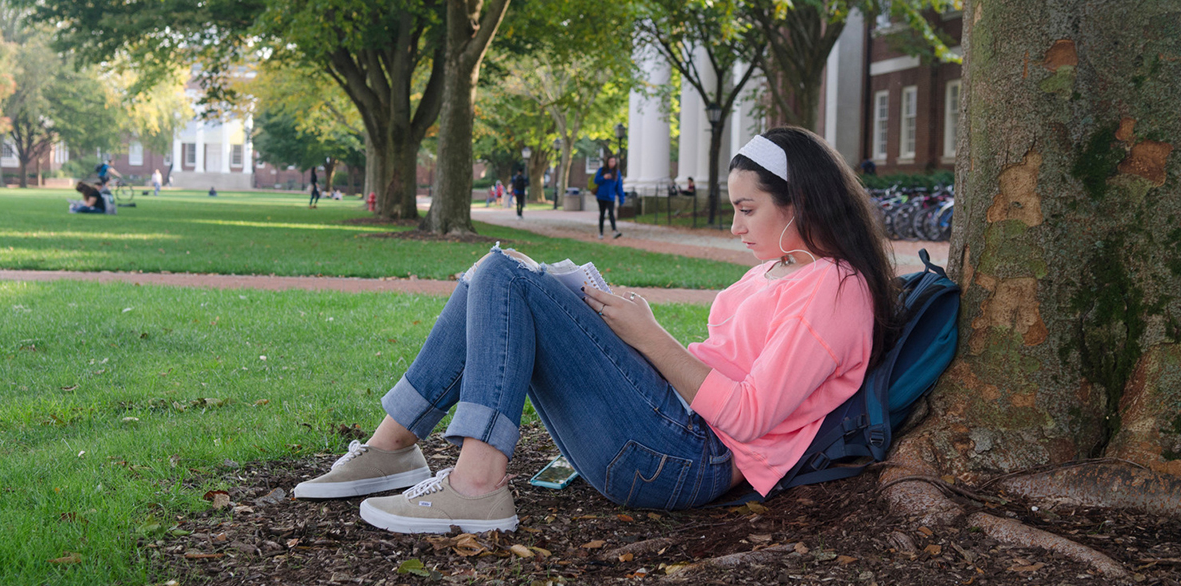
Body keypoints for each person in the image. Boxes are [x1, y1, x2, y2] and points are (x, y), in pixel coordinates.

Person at [290, 126, 898, 536]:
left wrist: (649, 337)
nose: (736, 226)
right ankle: (391, 449)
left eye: (747, 210)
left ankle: (475, 485)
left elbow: (750, 416)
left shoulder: (833, 290)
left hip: (689, 459)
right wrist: (622, 332)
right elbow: (726, 366)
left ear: (802, 204)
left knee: (505, 274)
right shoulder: (782, 269)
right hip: (668, 431)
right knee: (491, 276)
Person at [593, 156, 624, 239]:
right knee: (602, 214)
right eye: (610, 161)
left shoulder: (617, 173)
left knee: (611, 213)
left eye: (613, 161)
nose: (612, 163)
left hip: (611, 196)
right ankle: (601, 233)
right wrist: (603, 177)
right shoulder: (602, 170)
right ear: (607, 162)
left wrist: (621, 198)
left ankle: (614, 231)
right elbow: (596, 180)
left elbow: (619, 186)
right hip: (601, 196)